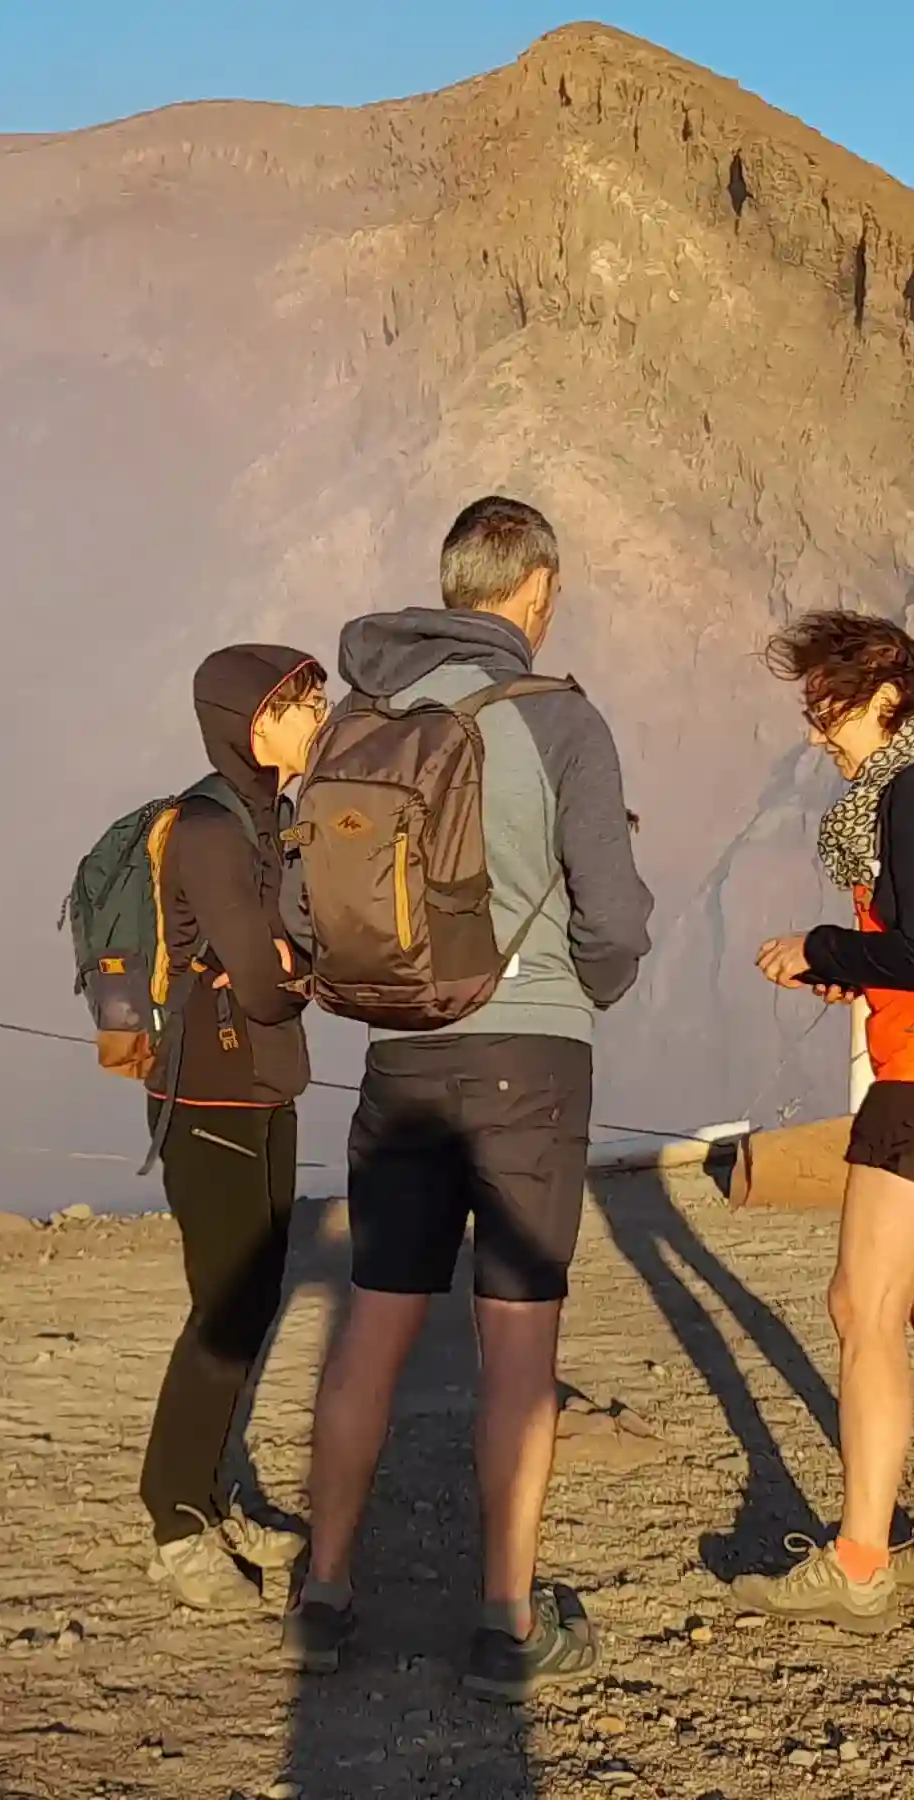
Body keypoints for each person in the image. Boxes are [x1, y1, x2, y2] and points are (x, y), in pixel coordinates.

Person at [289, 496, 654, 1702]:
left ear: (448, 585)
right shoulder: (557, 721)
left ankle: (326, 1594)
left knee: (375, 1324)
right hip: (529, 1057)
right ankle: (504, 1620)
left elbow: (307, 906)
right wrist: (583, 988)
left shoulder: (363, 713)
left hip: (398, 1056)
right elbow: (613, 911)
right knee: (517, 1341)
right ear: (536, 589)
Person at [733, 610, 914, 1630]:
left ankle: (858, 1561)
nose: (819, 732)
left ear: (886, 694)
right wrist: (855, 975)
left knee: (863, 1310)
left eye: (830, 706)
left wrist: (820, 947)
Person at [138, 644, 330, 1610]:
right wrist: (292, 965)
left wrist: (291, 964)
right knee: (224, 1310)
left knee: (249, 1305)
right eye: (299, 703)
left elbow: (287, 964)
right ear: (250, 723)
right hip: (209, 1093)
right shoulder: (214, 829)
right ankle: (173, 1519)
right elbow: (263, 977)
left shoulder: (272, 819)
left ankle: (210, 1499)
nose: (316, 714)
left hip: (263, 1084)